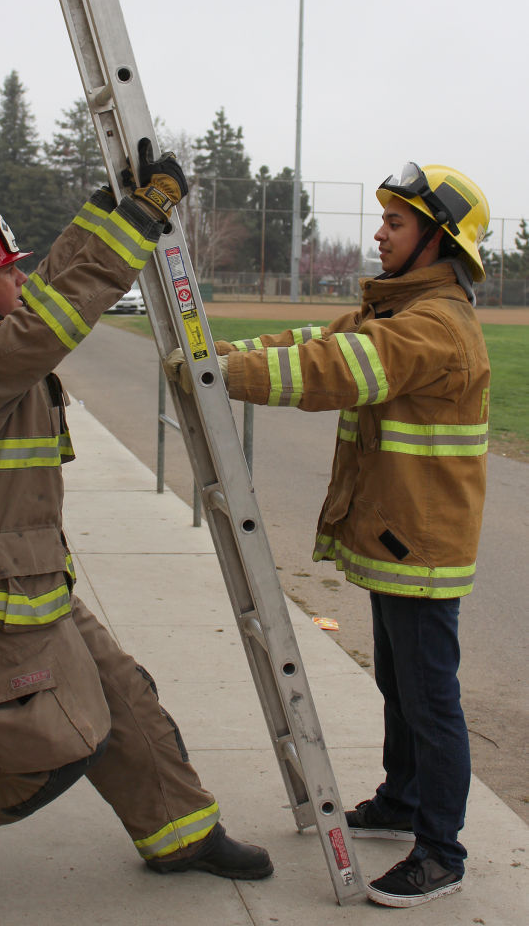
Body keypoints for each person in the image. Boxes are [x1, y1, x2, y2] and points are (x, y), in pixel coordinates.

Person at [0, 139, 272, 883]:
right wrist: (138, 224)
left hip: (26, 579)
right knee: (56, 745)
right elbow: (53, 319)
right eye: (3, 268)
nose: (19, 275)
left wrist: (107, 211)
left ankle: (179, 834)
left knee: (126, 701)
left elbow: (47, 291)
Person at [166, 162, 490, 908]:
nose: (378, 233)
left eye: (396, 223)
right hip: (398, 539)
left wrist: (218, 380)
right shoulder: (401, 310)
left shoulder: (434, 327)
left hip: (423, 548)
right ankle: (402, 801)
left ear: (436, 240)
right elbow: (315, 335)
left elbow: (331, 368)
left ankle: (440, 852)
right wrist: (223, 357)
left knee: (429, 699)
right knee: (399, 685)